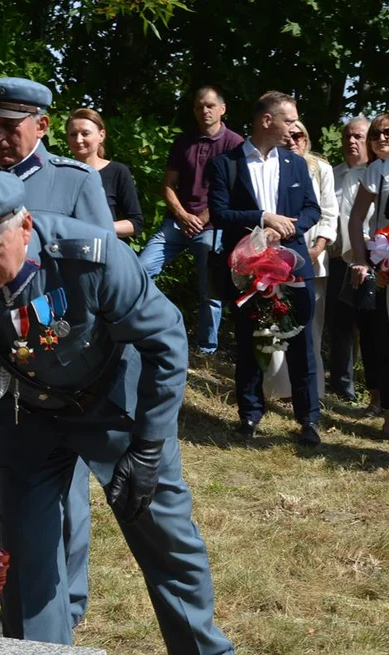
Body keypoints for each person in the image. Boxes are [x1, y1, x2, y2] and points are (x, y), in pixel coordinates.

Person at [0, 168, 250, 655]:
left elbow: (166, 340)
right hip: (25, 412)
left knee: (163, 531)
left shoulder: (90, 256)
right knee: (24, 552)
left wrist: (148, 447)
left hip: (113, 401)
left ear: (24, 227)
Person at [0, 77, 112, 631]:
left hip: (58, 367)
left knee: (68, 499)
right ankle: (19, 598)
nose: (1, 138)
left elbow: (98, 272)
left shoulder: (72, 182)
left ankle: (67, 603)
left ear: (42, 126)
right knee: (2, 487)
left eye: (13, 127)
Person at [208, 91, 322, 446]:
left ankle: (309, 420)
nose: (294, 127)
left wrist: (284, 229)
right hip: (248, 266)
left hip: (292, 264)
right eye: (289, 120)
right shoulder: (225, 164)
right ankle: (250, 415)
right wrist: (262, 219)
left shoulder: (295, 163)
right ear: (266, 120)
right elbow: (219, 214)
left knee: (301, 342)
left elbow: (311, 210)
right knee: (249, 341)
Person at [138, 86, 244, 356]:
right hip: (176, 222)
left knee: (210, 291)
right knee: (140, 270)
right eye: (199, 106)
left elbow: (233, 191)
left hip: (211, 226)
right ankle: (157, 324)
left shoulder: (235, 144)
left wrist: (202, 218)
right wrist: (184, 216)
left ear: (222, 108)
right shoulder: (183, 141)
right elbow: (168, 186)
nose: (204, 110)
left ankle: (206, 348)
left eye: (210, 105)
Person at [262, 120, 337, 401]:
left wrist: (316, 249)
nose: (293, 140)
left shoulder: (322, 169)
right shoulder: (274, 167)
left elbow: (329, 214)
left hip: (312, 260)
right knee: (276, 323)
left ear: (306, 138)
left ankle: (310, 391)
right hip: (275, 260)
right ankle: (279, 389)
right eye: (288, 136)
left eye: (299, 135)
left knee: (310, 327)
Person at [348, 112, 389, 438]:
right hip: (387, 264)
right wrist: (362, 260)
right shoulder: (379, 170)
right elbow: (357, 220)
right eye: (378, 133)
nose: (384, 137)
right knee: (386, 342)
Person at [327, 117, 371, 403]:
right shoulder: (333, 174)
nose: (351, 141)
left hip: (371, 260)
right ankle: (342, 387)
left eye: (358, 136)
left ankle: (378, 391)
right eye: (346, 136)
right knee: (339, 325)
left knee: (369, 328)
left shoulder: (378, 175)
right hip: (337, 260)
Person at [65, 107, 144, 239]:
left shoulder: (118, 171)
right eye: (73, 134)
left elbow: (135, 223)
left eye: (85, 134)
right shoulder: (61, 172)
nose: (78, 140)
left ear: (101, 135)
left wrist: (98, 228)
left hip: (104, 251)